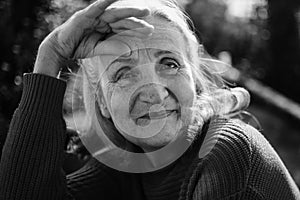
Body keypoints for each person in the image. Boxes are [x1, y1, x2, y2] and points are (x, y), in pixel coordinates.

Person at [0, 0, 299, 199]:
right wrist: (50, 57)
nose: (154, 92)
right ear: (103, 103)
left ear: (193, 82)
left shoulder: (227, 154)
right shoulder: (125, 166)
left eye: (169, 64)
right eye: (123, 73)